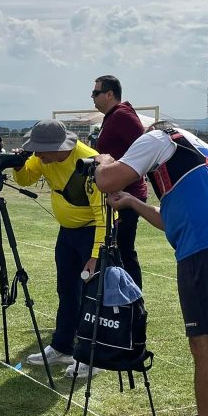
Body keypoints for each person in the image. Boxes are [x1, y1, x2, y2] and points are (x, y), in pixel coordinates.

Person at [93, 124, 208, 416]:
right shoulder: (204, 151)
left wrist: (103, 161)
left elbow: (107, 180)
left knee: (205, 344)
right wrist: (134, 203)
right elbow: (172, 219)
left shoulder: (157, 138)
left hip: (205, 249)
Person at [13, 120, 106, 379]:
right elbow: (27, 179)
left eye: (41, 150)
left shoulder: (90, 162)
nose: (37, 155)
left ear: (59, 147)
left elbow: (104, 214)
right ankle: (62, 346)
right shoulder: (43, 157)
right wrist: (19, 166)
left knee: (93, 296)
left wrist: (96, 255)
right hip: (67, 233)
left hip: (92, 233)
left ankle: (92, 356)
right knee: (66, 290)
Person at [91, 74, 146, 289]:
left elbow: (145, 148)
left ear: (110, 94)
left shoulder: (122, 116)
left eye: (96, 93)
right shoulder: (113, 116)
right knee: (115, 252)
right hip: (115, 193)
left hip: (126, 195)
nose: (92, 97)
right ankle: (115, 307)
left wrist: (123, 182)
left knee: (123, 252)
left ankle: (133, 307)